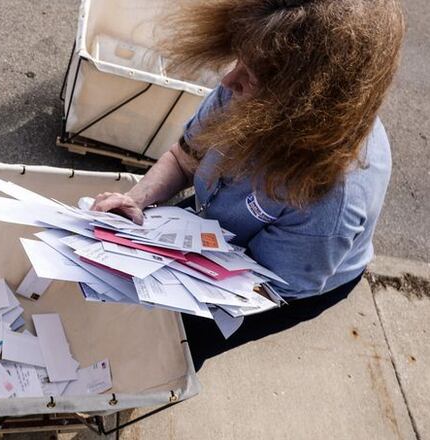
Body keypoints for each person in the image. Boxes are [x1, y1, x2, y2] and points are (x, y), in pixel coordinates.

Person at [91, 0, 405, 367]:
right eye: (239, 60)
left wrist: (174, 283)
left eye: (251, 76)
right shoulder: (255, 88)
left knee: (183, 341)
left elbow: (266, 287)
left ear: (302, 104)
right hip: (213, 229)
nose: (228, 81)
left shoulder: (330, 200)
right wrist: (136, 199)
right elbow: (184, 157)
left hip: (280, 279)